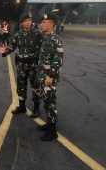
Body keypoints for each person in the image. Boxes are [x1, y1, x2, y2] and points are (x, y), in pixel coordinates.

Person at [0, 13, 43, 117]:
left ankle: (36, 108)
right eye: (26, 20)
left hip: (33, 65)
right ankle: (22, 106)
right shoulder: (18, 35)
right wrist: (4, 51)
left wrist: (42, 64)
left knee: (35, 87)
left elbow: (42, 49)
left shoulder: (37, 34)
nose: (28, 22)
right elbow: (12, 46)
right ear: (21, 23)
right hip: (21, 65)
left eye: (29, 20)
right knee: (21, 87)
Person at [36, 13, 63, 141]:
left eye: (45, 22)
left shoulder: (55, 39)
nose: (42, 24)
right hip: (43, 75)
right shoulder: (46, 37)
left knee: (50, 102)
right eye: (42, 22)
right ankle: (48, 123)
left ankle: (53, 131)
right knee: (46, 101)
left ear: (52, 24)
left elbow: (58, 60)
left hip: (48, 77)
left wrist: (50, 77)